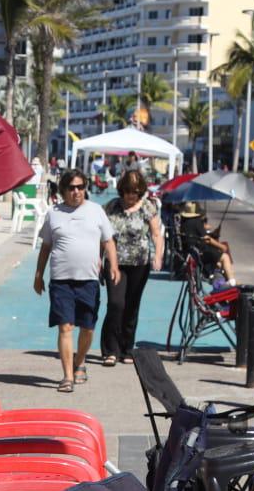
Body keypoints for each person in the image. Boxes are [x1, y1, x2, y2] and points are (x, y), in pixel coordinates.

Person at [34, 168, 118, 393]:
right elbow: (46, 247)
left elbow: (108, 241)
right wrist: (38, 275)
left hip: (89, 280)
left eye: (80, 187)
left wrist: (114, 266)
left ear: (85, 188)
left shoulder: (96, 211)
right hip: (61, 281)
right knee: (65, 327)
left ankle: (80, 361)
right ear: (63, 190)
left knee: (88, 328)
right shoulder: (54, 213)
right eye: (71, 188)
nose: (76, 191)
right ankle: (67, 376)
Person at [100, 170, 163, 366]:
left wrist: (158, 255)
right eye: (127, 191)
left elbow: (156, 234)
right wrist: (97, 259)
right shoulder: (111, 207)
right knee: (116, 304)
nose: (131, 195)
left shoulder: (147, 207)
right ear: (122, 190)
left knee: (132, 305)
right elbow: (101, 235)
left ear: (141, 191)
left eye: (135, 191)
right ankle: (110, 349)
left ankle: (127, 348)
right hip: (115, 262)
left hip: (139, 263)